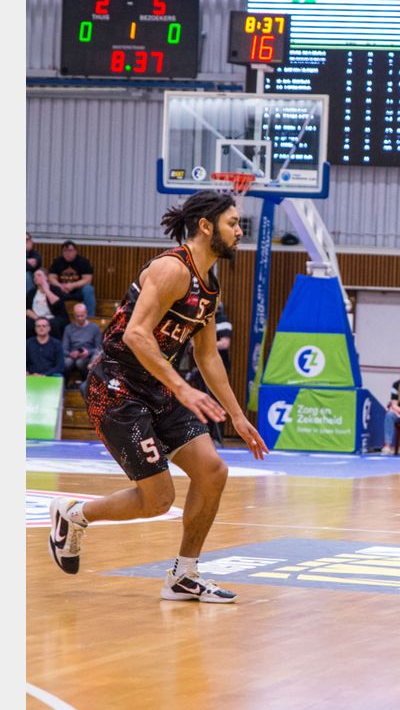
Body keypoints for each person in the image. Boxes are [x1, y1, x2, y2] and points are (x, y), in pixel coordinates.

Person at [48, 190, 269, 604]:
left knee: (213, 471)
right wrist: (182, 387)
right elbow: (135, 334)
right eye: (233, 223)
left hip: (156, 387)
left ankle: (184, 574)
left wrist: (237, 416)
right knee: (158, 500)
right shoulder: (171, 269)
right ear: (206, 226)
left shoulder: (209, 285)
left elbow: (207, 355)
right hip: (116, 388)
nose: (240, 231)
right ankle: (73, 514)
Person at [182, 302, 234, 446]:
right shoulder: (199, 320)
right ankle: (205, 437)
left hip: (215, 369)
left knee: (216, 402)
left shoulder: (223, 321)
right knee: (203, 402)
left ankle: (217, 437)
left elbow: (224, 343)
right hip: (199, 369)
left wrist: (205, 346)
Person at [49, 240, 97, 317]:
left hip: (78, 291)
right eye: (65, 251)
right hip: (62, 290)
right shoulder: (57, 262)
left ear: (75, 251)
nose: (67, 253)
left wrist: (73, 285)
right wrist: (60, 286)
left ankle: (90, 318)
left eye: (70, 250)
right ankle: (53, 317)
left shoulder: (83, 262)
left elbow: (88, 280)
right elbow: (51, 278)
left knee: (88, 289)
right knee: (50, 288)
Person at [62, 302, 102, 388]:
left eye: (82, 316)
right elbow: (64, 348)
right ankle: (65, 386)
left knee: (80, 362)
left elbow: (99, 348)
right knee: (66, 362)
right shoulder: (68, 328)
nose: (80, 318)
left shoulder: (94, 328)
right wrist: (70, 354)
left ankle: (87, 383)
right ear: (74, 315)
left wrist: (88, 352)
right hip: (72, 355)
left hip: (88, 356)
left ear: (86, 313)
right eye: (77, 316)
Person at [27, 267, 69, 339]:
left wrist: (46, 290)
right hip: (37, 317)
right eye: (34, 276)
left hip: (53, 317)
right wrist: (38, 319)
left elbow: (57, 304)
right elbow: (27, 310)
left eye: (39, 275)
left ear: (46, 277)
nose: (35, 278)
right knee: (27, 325)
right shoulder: (31, 292)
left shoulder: (55, 289)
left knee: (53, 324)